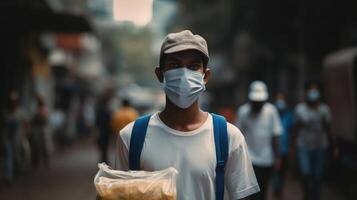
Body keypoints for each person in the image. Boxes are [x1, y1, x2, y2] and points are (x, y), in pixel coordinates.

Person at [115, 30, 259, 200]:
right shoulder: (131, 137)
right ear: (160, 74)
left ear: (205, 76)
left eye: (193, 66)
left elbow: (244, 195)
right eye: (175, 65)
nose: (184, 74)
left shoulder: (228, 137)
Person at [290, 82, 338, 200]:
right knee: (305, 172)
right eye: (311, 90)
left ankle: (316, 196)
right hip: (303, 146)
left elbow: (329, 128)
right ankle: (306, 193)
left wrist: (335, 146)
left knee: (318, 176)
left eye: (315, 90)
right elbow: (295, 129)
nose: (313, 93)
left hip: (320, 146)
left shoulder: (324, 110)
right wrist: (293, 147)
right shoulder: (300, 110)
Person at [236, 81, 283, 200]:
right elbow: (237, 135)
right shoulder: (243, 111)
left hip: (267, 158)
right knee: (251, 193)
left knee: (263, 191)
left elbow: (275, 135)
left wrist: (277, 157)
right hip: (249, 159)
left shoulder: (271, 111)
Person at [272, 92, 294, 198]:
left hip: (285, 149)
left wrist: (291, 148)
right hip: (274, 150)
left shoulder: (289, 116)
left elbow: (292, 132)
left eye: (282, 99)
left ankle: (280, 189)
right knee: (275, 170)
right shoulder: (272, 115)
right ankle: (276, 189)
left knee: (282, 172)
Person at [29, 96, 50, 168]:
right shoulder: (36, 109)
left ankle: (45, 161)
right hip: (36, 129)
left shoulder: (44, 109)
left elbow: (45, 119)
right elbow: (32, 120)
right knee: (36, 146)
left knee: (44, 146)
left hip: (42, 129)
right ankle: (35, 162)